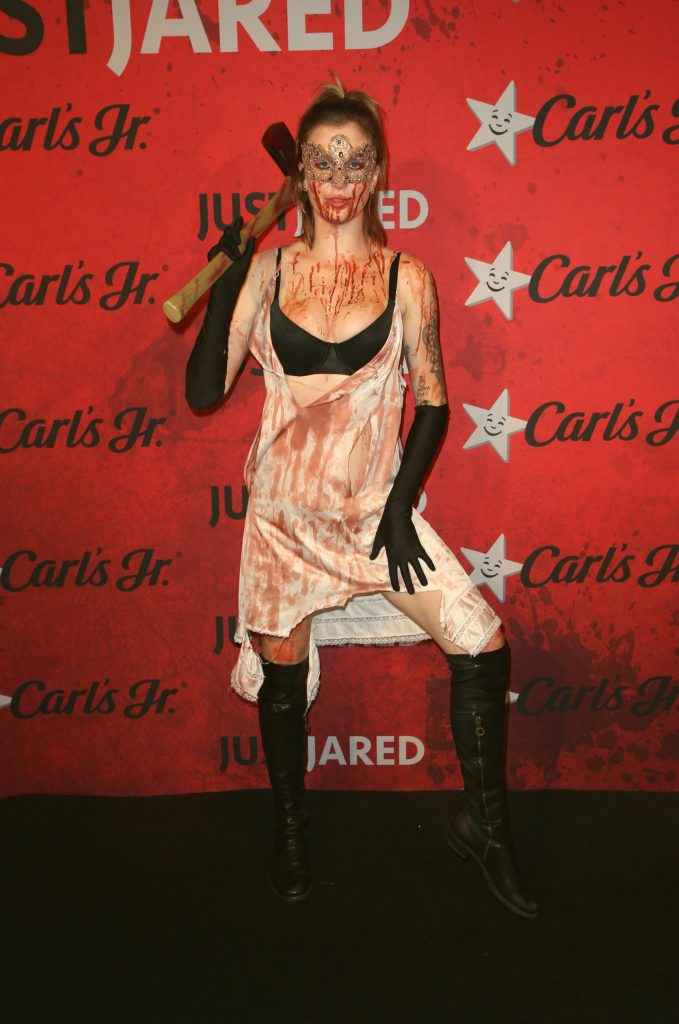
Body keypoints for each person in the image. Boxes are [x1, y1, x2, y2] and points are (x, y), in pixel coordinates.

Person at [185, 77, 540, 919]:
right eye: (321, 161)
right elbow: (203, 391)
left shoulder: (406, 276)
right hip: (282, 520)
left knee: (482, 646)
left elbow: (433, 402)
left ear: (377, 172)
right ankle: (290, 832)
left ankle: (484, 830)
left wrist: (397, 508)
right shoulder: (267, 271)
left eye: (354, 162)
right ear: (301, 174)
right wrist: (227, 280)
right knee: (283, 682)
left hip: (373, 515)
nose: (338, 179)